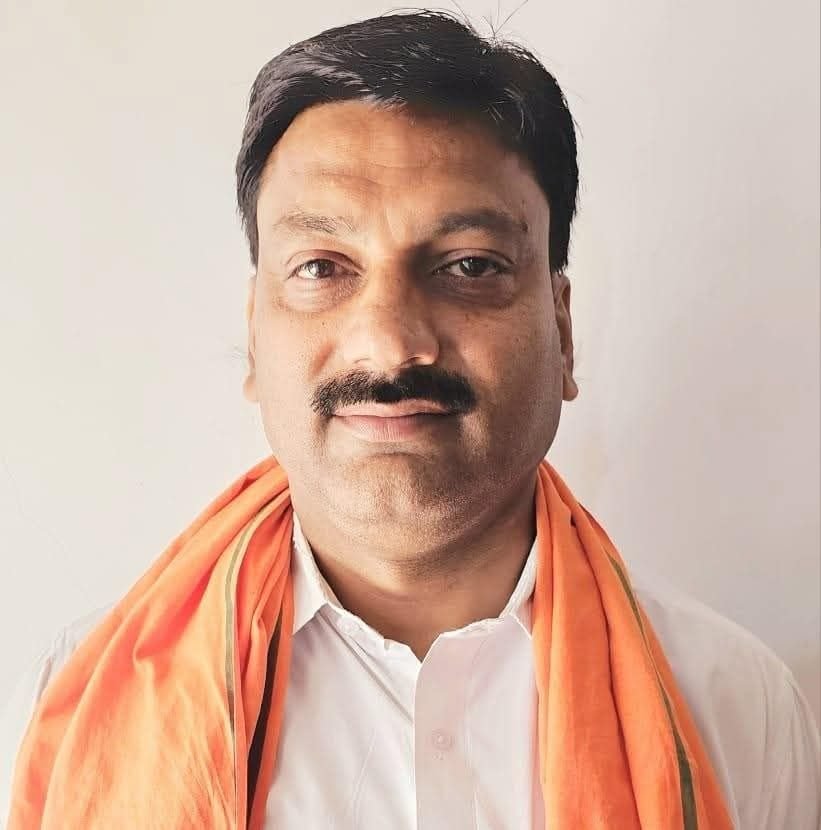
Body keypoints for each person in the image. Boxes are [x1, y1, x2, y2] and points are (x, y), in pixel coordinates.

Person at [2, 9, 819, 829]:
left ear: (562, 331)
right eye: (322, 267)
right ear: (254, 336)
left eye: (470, 265)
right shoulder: (82, 697)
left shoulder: (735, 707)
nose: (390, 342)